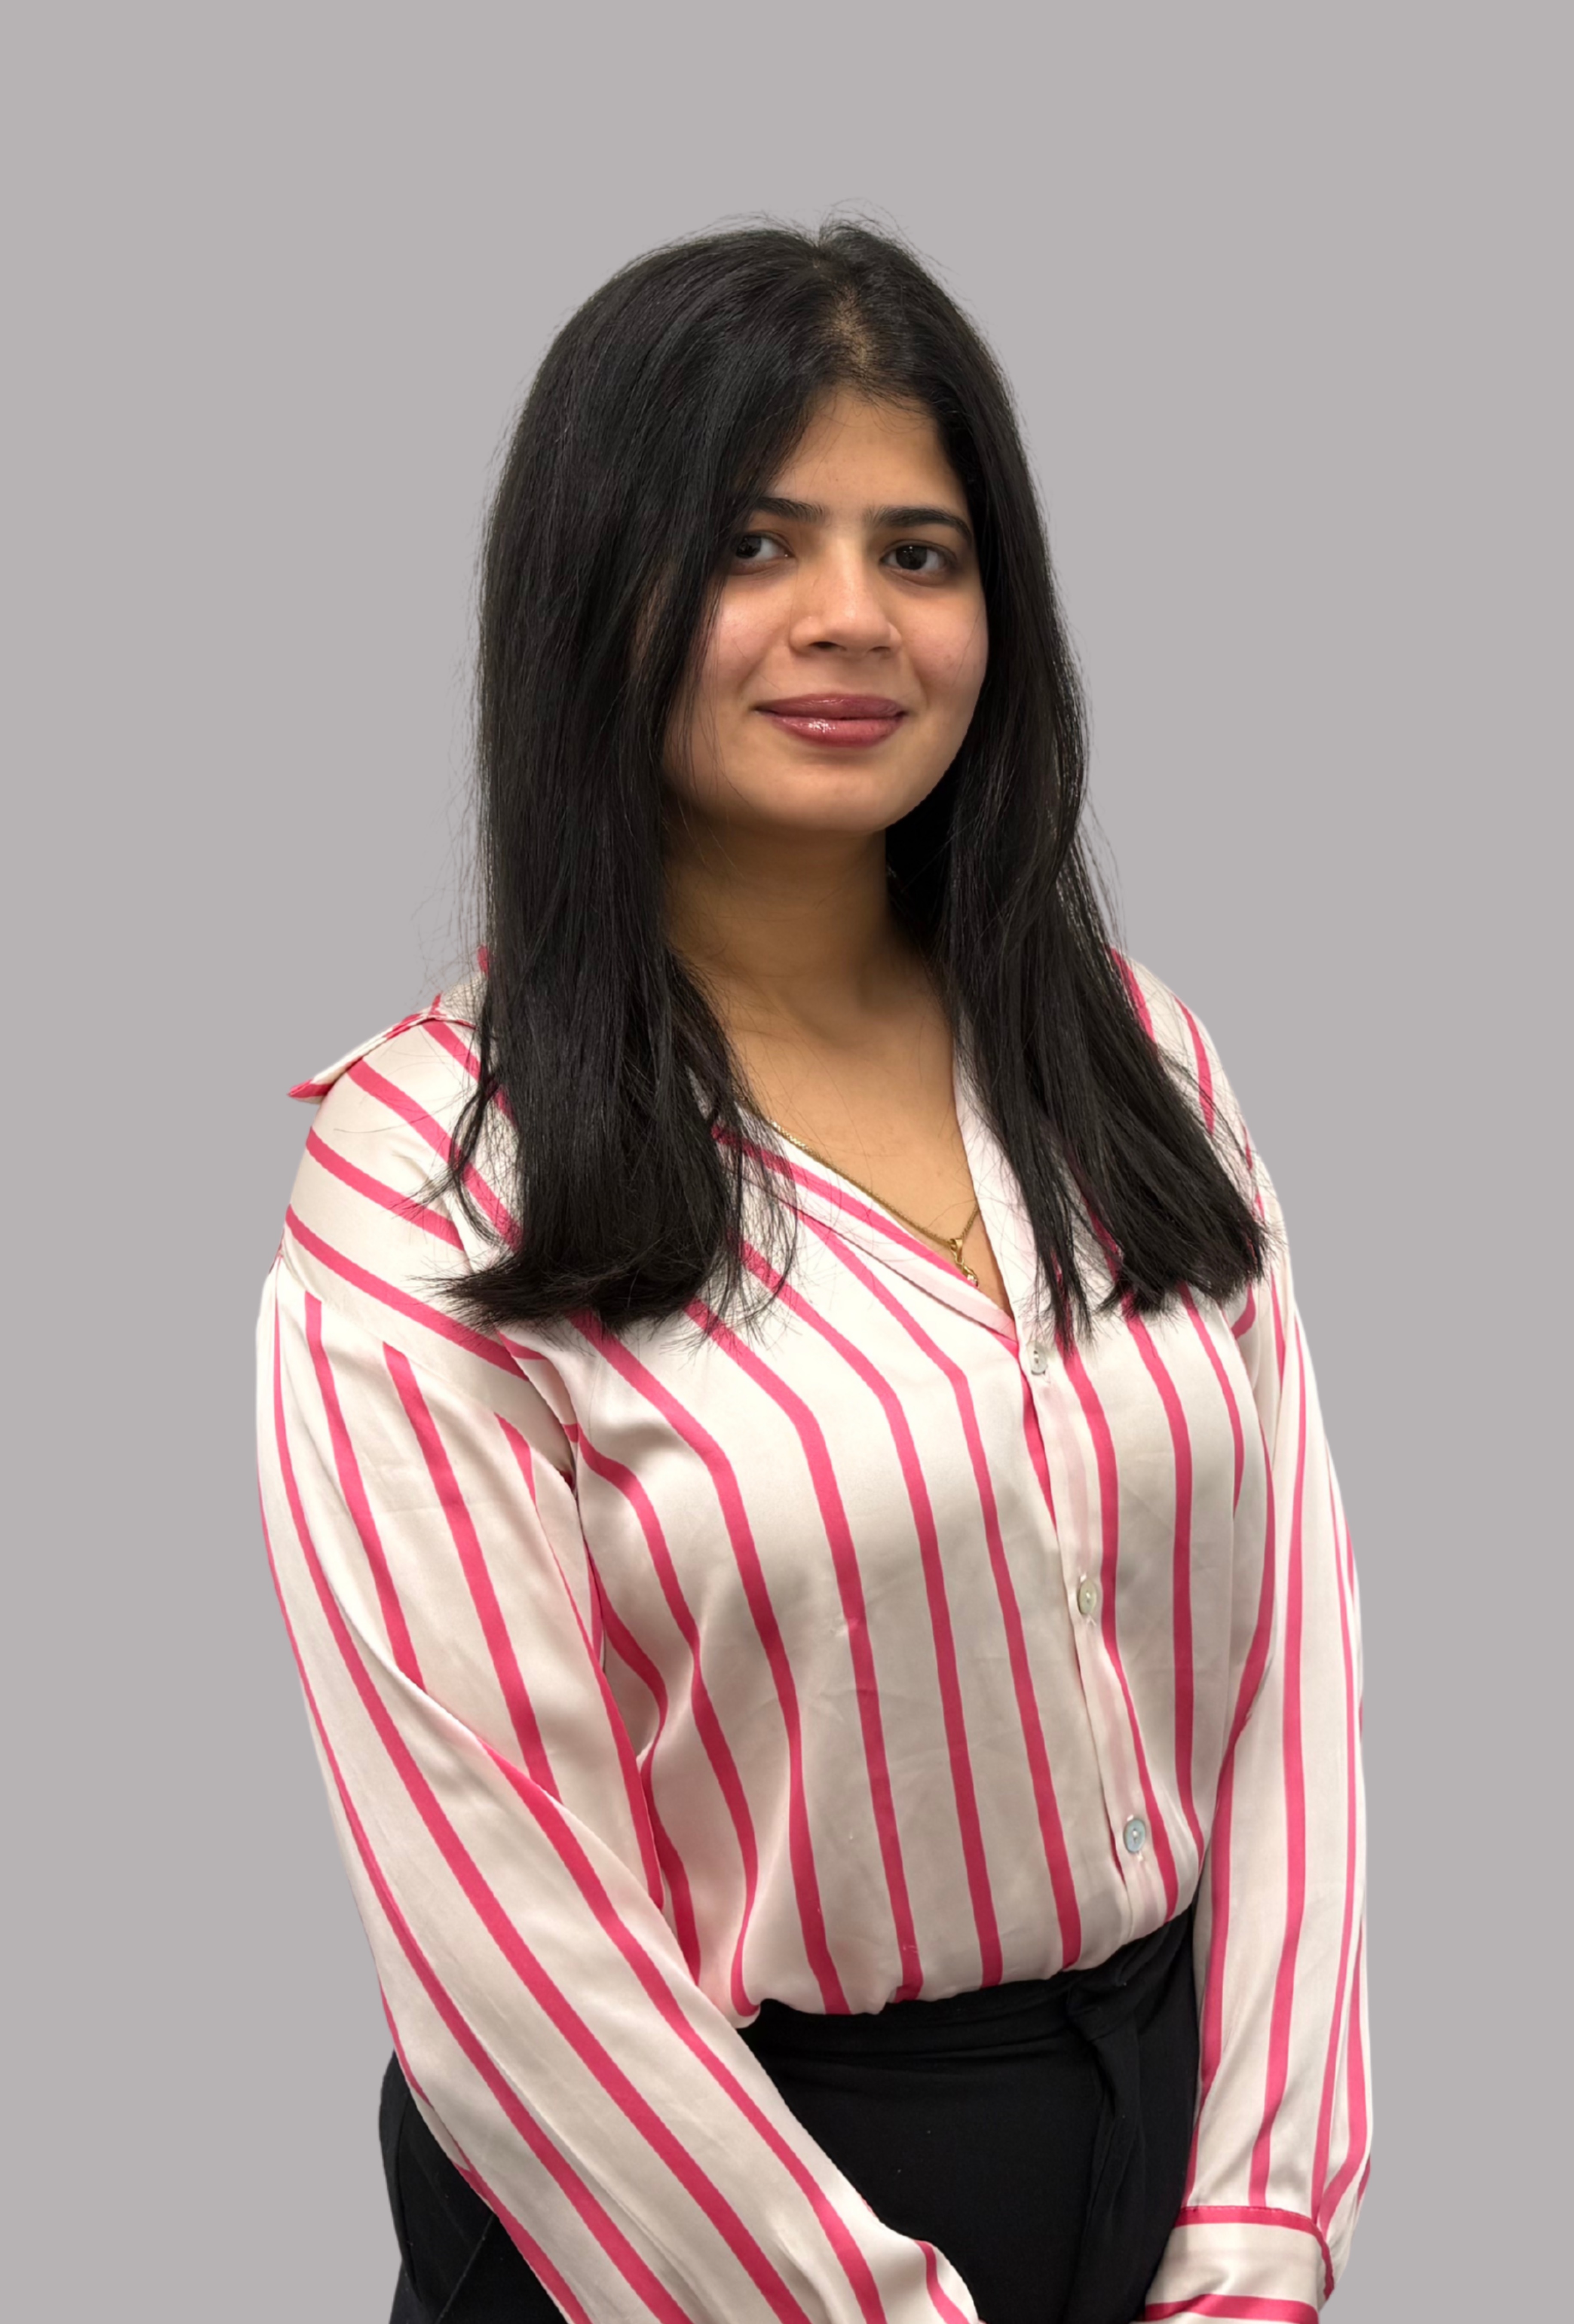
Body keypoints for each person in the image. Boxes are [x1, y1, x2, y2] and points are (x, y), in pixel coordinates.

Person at [256, 221, 1369, 2324]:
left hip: (1155, 2151)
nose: (851, 618)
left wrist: (1254, 2240)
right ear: (596, 588)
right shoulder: (434, 1177)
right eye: (754, 543)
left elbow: (1283, 1679)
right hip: (687, 2223)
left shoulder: (1131, 1062)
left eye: (919, 552)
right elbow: (503, 1928)